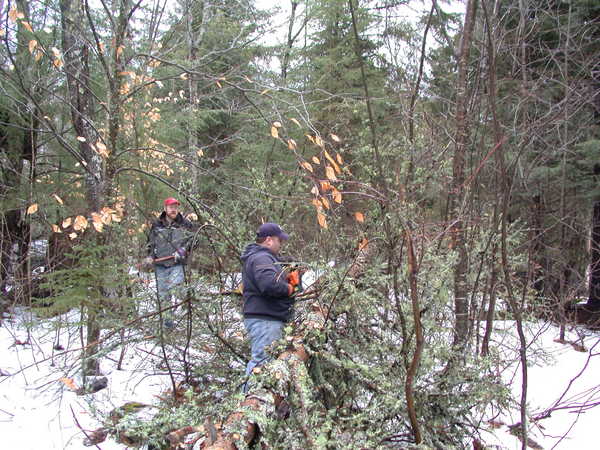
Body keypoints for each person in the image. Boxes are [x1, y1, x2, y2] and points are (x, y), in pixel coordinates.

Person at [240, 222, 300, 387]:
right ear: (268, 240)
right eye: (279, 241)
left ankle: (254, 404)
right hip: (265, 319)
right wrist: (288, 288)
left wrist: (284, 277)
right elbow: (268, 284)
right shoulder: (262, 257)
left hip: (266, 318)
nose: (281, 245)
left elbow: (268, 279)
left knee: (266, 363)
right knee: (262, 364)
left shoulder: (262, 258)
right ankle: (249, 406)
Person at [144, 197, 195, 328]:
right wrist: (150, 256)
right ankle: (168, 326)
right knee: (163, 296)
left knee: (175, 286)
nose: (173, 210)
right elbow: (150, 243)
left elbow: (195, 240)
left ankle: (186, 306)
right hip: (160, 265)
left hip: (177, 264)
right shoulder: (157, 224)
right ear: (165, 209)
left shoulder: (185, 224)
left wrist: (183, 250)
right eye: (171, 207)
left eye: (175, 207)